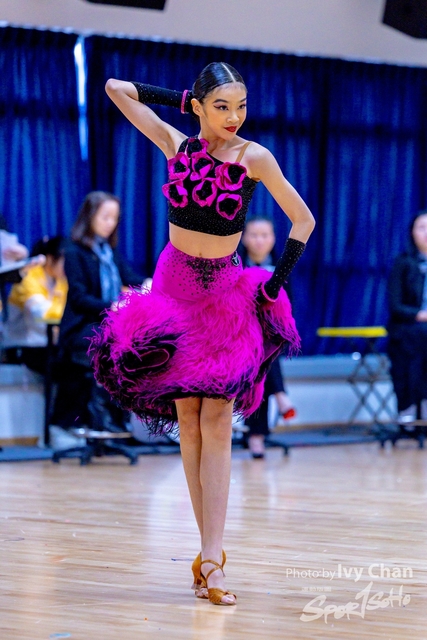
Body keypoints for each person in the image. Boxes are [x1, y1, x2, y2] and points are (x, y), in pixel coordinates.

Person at [91, 62, 315, 605]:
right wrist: (184, 100)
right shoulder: (176, 144)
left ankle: (213, 557)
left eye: (241, 106)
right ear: (198, 106)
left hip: (222, 293)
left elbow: (303, 221)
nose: (234, 117)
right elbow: (115, 88)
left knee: (216, 419)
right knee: (188, 421)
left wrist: (273, 284)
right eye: (222, 106)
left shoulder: (253, 157)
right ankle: (205, 550)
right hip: (172, 291)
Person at [51, 191, 144, 437]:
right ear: (89, 216)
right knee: (115, 344)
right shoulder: (73, 251)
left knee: (139, 342)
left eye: (114, 218)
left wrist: (150, 284)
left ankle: (119, 418)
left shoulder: (109, 251)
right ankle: (103, 418)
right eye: (105, 217)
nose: (110, 223)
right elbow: (79, 298)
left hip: (104, 325)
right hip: (81, 327)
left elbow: (130, 277)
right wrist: (112, 306)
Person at [239, 215, 297, 458]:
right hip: (237, 333)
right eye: (254, 235)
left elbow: (287, 307)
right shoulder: (235, 265)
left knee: (262, 358)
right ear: (243, 238)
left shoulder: (281, 268)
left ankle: (256, 436)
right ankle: (280, 396)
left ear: (273, 239)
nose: (259, 240)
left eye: (265, 235)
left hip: (269, 334)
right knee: (260, 354)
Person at [2, 236, 67, 374]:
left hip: (47, 344)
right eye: (65, 262)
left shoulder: (61, 282)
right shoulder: (28, 276)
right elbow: (41, 313)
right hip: (21, 345)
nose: (70, 267)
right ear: (50, 258)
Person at [387, 211, 427, 419]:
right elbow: (395, 305)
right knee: (416, 339)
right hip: (408, 326)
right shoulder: (403, 263)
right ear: (412, 232)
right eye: (422, 227)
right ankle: (409, 409)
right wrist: (420, 315)